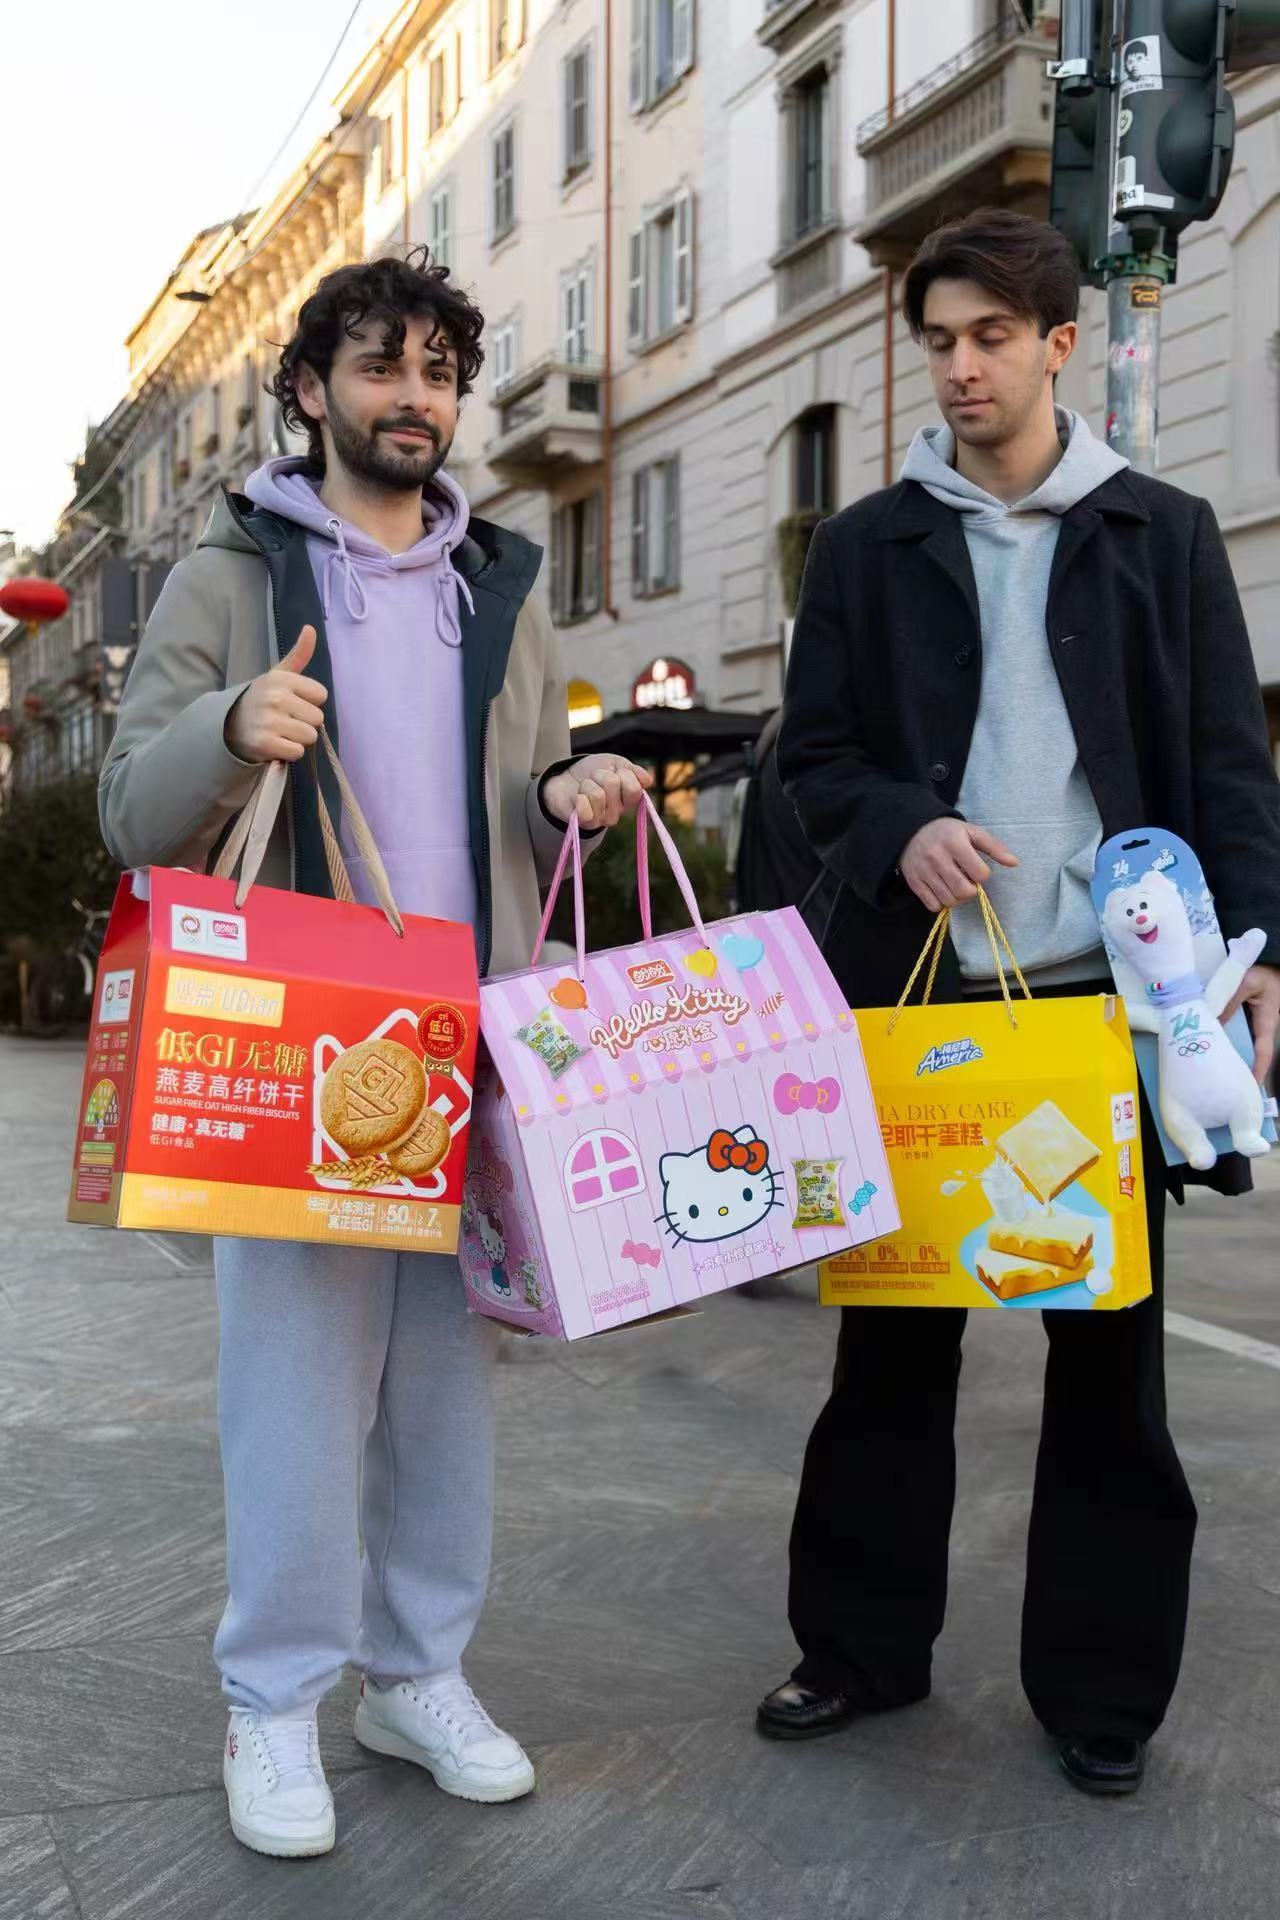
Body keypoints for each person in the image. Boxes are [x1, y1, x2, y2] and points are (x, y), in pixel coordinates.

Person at [99, 249, 651, 1858]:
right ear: (310, 389)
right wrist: (228, 729)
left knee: (448, 1393)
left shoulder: (502, 585)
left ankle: (416, 1675)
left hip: (472, 1039)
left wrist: (564, 794)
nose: (415, 399)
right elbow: (133, 809)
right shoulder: (227, 576)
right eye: (381, 367)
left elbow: (516, 785)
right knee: (293, 1390)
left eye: (438, 373)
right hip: (303, 1048)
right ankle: (271, 1700)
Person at [759, 209, 1280, 1796]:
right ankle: (859, 1652)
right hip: (920, 1014)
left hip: (1102, 1021)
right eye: (939, 340)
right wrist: (897, 827)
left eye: (991, 336)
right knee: (889, 1356)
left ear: (1062, 343)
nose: (961, 367)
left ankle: (1102, 1696)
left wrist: (1260, 956)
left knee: (1110, 1369)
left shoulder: (1161, 532)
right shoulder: (867, 546)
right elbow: (809, 759)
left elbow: (1226, 762)